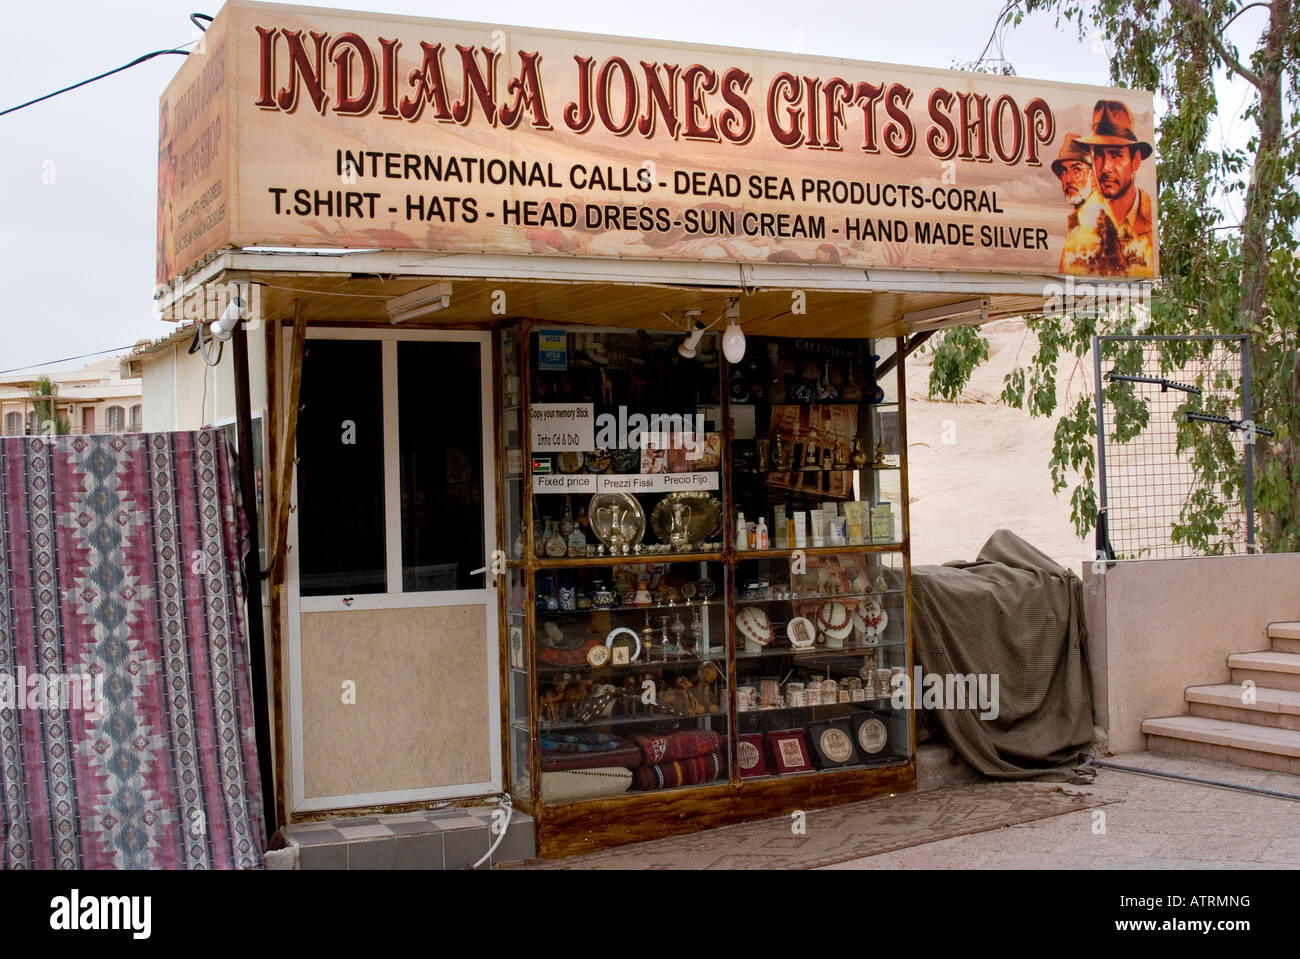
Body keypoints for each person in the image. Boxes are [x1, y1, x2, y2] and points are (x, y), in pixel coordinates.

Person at [1060, 100, 1156, 277]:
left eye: (1116, 155)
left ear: (1135, 161)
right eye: (1098, 156)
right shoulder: (1081, 231)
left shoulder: (1151, 218)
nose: (1105, 167)